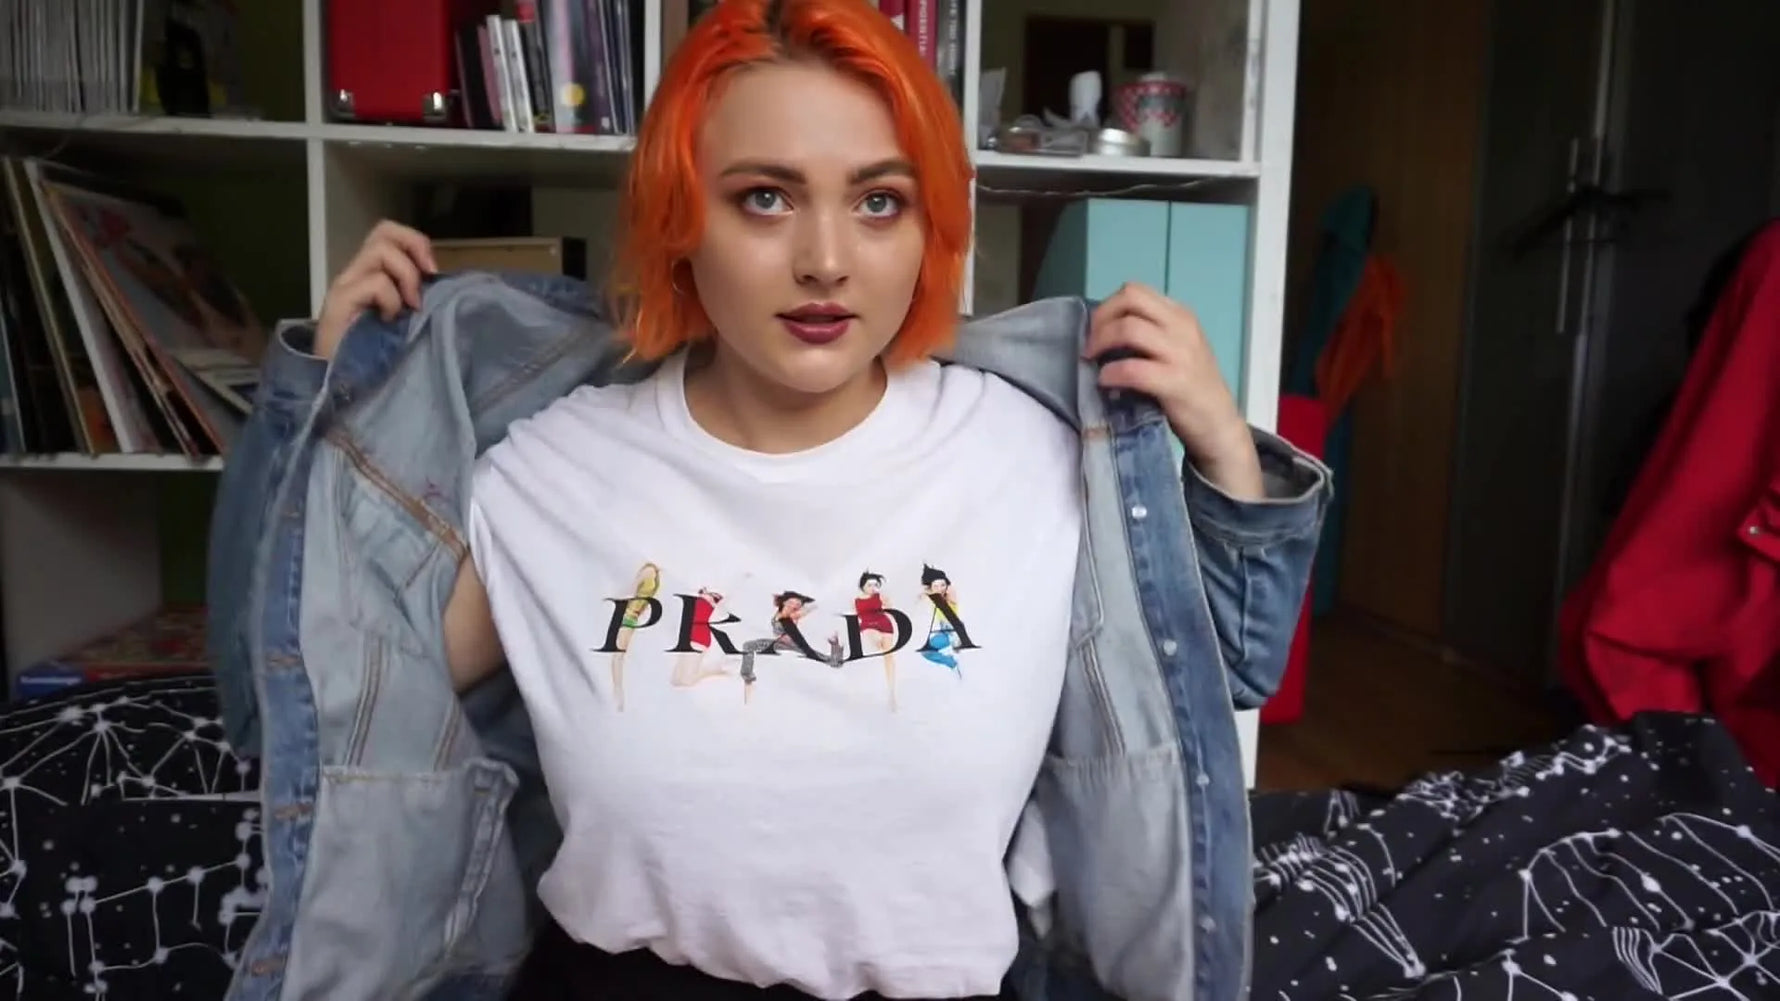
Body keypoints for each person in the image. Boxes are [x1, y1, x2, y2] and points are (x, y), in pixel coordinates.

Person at [243, 1, 1324, 999]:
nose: (825, 260)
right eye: (764, 197)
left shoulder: (1035, 456)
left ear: (929, 227)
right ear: (680, 219)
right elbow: (297, 709)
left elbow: (1226, 670)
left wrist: (1224, 453)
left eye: (879, 201)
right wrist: (317, 407)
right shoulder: (552, 474)